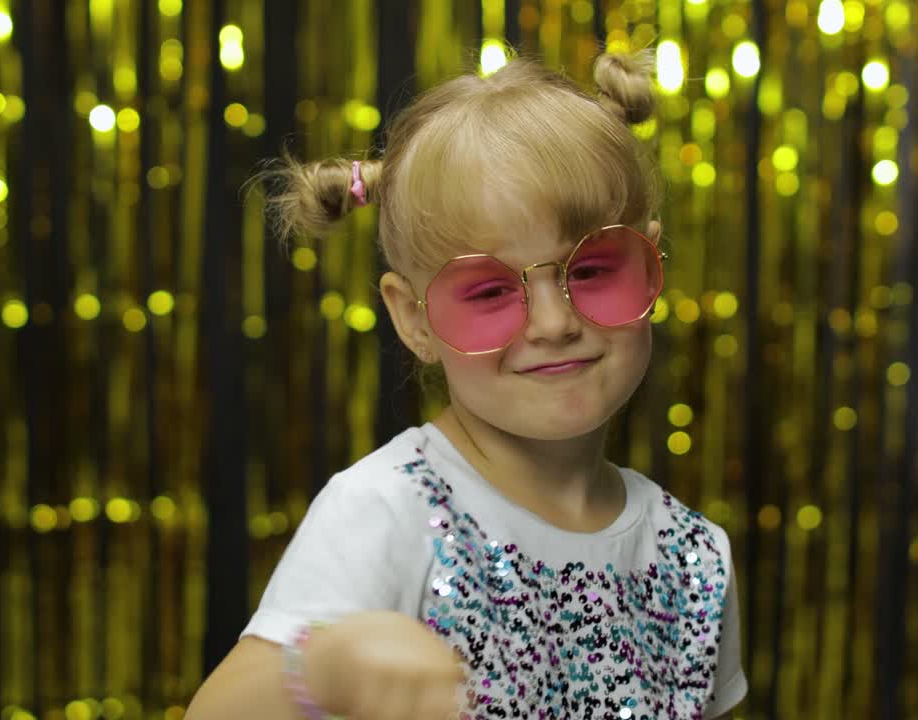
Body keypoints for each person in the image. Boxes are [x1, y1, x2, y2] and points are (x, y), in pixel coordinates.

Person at [186, 48, 747, 720]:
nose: (552, 322)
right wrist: (320, 667)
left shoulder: (694, 558)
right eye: (487, 291)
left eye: (593, 269)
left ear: (653, 264)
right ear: (412, 317)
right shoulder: (388, 510)